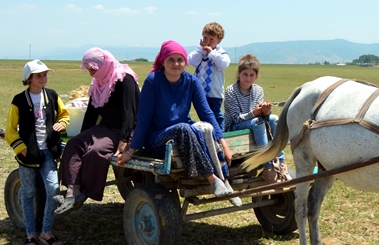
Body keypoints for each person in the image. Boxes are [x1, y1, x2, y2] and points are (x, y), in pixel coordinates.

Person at [117, 40, 241, 207]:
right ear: (163, 61)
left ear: (185, 62)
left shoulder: (191, 81)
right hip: (157, 137)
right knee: (184, 128)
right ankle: (212, 179)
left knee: (206, 128)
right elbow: (144, 119)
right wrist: (131, 152)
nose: (176, 64)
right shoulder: (153, 81)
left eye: (180, 59)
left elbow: (207, 113)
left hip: (184, 132)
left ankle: (225, 181)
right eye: (171, 59)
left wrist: (223, 143)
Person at [55, 48, 140, 214]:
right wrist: (82, 136)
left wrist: (124, 141)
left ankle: (85, 193)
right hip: (105, 128)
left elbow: (129, 113)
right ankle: (73, 192)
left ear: (104, 64)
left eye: (93, 68)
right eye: (88, 69)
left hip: (125, 128)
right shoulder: (98, 83)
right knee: (74, 144)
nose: (91, 73)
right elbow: (91, 113)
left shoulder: (124, 79)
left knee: (97, 150)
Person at [5, 59, 70, 245]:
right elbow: (10, 129)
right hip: (27, 155)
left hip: (48, 152)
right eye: (39, 75)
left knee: (52, 189)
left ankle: (46, 231)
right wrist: (21, 148)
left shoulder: (52, 95)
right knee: (28, 192)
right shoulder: (18, 100)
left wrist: (62, 124)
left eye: (45, 75)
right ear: (29, 79)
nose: (43, 78)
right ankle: (30, 234)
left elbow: (64, 114)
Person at [224, 54, 292, 183]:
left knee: (274, 118)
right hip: (234, 126)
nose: (248, 78)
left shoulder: (258, 90)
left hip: (254, 121)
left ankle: (281, 163)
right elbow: (235, 118)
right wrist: (255, 113)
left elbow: (262, 115)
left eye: (251, 75)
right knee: (258, 122)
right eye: (245, 74)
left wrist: (266, 112)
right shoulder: (231, 91)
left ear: (256, 76)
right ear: (239, 74)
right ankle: (268, 167)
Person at [187, 22, 231, 130]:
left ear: (219, 41)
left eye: (212, 39)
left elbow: (223, 64)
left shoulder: (220, 53)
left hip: (214, 94)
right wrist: (201, 50)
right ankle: (208, 136)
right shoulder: (199, 52)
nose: (208, 41)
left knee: (216, 116)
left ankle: (221, 136)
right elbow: (191, 61)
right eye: (205, 38)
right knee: (204, 118)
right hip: (199, 93)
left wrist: (212, 53)